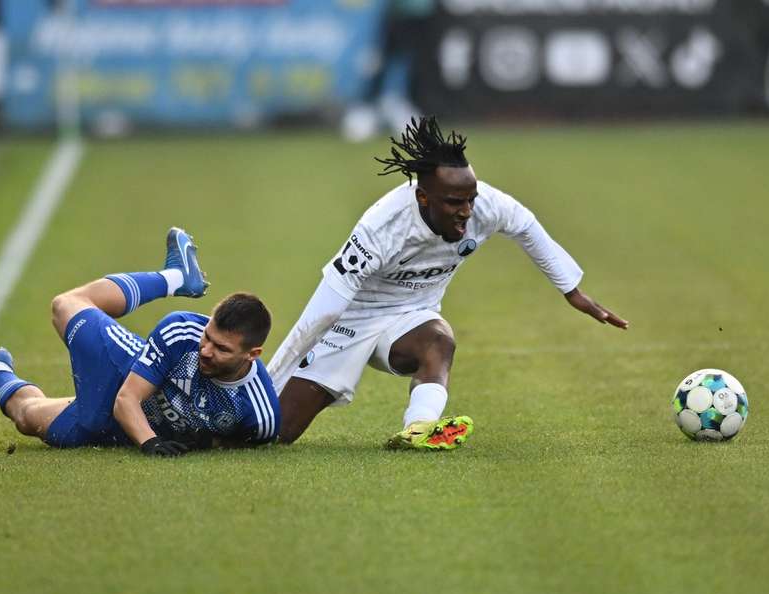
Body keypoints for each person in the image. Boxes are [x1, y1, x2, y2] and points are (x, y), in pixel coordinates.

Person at [267, 116, 628, 450]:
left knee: (439, 341)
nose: (467, 212)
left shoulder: (485, 205)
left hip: (410, 317)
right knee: (275, 433)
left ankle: (419, 429)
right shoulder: (382, 227)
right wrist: (266, 382)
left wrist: (571, 290)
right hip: (351, 319)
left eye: (470, 200)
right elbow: (320, 315)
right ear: (423, 197)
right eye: (455, 202)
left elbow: (526, 226)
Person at [0, 228, 280, 456]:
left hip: (115, 429)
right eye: (208, 337)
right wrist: (151, 443)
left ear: (253, 355)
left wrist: (211, 442)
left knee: (27, 418)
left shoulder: (260, 413)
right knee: (65, 305)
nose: (206, 349)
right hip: (126, 374)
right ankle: (173, 277)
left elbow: (242, 441)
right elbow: (127, 399)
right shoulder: (182, 332)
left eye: (221, 349)